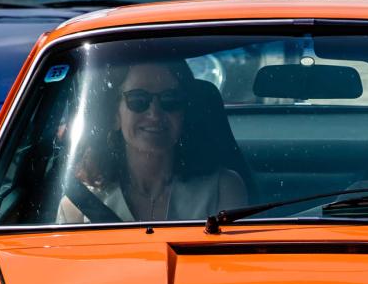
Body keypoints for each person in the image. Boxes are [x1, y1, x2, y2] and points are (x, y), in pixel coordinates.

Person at [59, 59, 247, 223]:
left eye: (170, 99)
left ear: (184, 113)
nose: (155, 114)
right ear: (115, 115)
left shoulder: (223, 189)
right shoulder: (78, 205)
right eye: (138, 99)